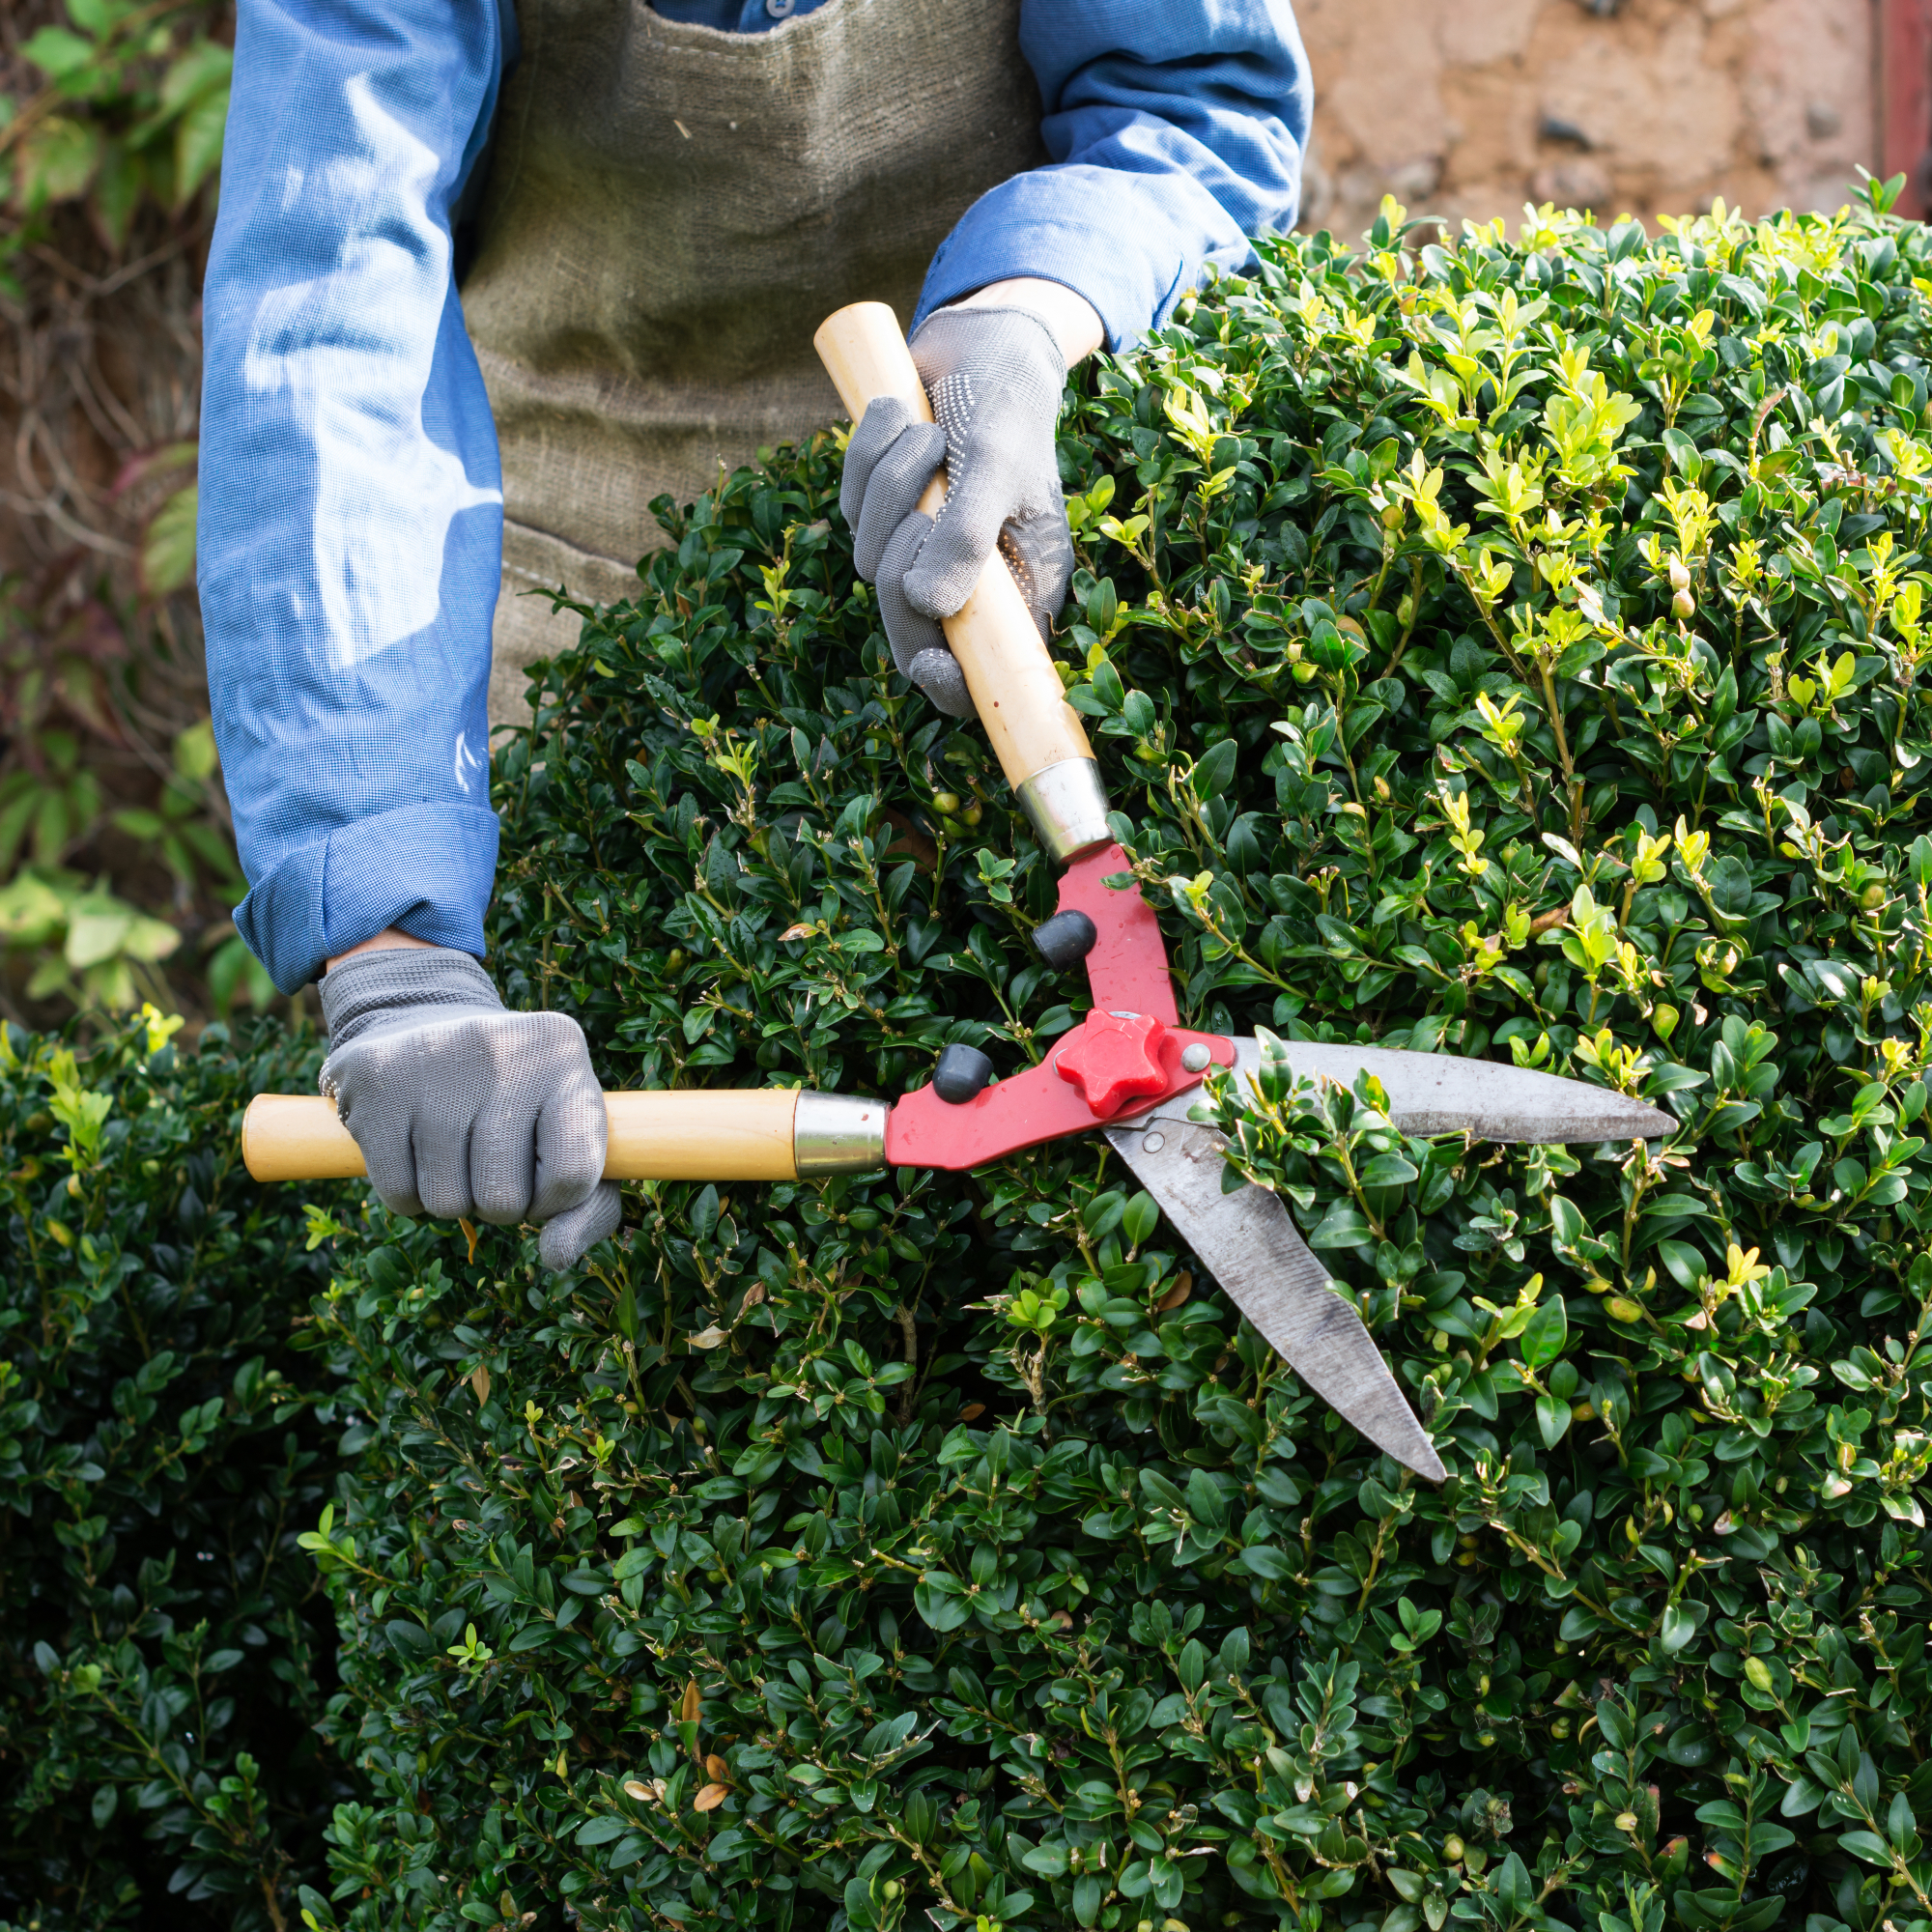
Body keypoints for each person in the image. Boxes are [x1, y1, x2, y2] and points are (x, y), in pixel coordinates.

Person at [198, 0, 1313, 1266]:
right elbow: (327, 291)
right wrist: (392, 950)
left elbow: (1194, 96)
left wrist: (1031, 308)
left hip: (995, 512)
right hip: (565, 575)